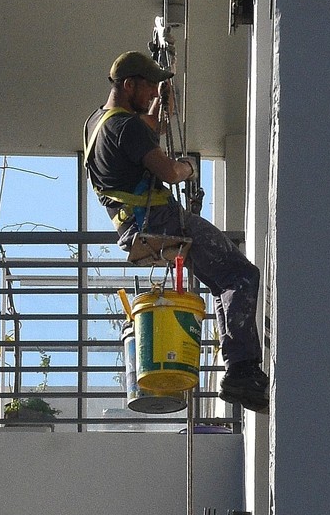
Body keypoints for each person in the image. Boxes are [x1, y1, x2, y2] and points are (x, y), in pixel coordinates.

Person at [84, 50, 270, 412]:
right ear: (129, 85)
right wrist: (186, 168)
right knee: (242, 274)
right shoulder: (127, 127)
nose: (153, 92)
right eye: (149, 87)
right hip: (161, 220)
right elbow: (167, 171)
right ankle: (242, 371)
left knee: (221, 281)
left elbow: (143, 138)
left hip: (132, 227)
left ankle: (237, 369)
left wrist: (160, 113)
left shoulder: (98, 124)